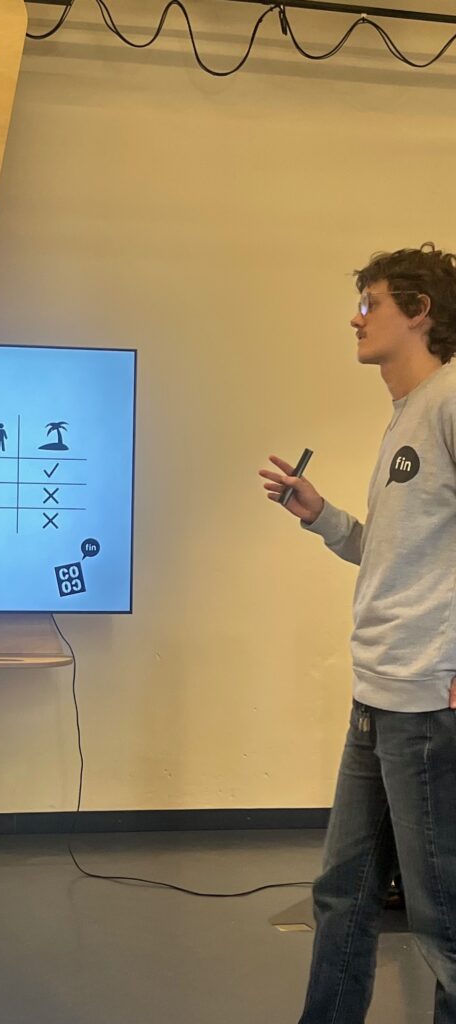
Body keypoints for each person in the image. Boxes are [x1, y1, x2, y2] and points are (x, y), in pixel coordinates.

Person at [259, 244, 456, 1024]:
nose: (356, 317)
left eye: (371, 302)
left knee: (443, 920)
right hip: (377, 697)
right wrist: (323, 518)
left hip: (427, 702)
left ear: (420, 311)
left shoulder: (450, 402)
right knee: (343, 894)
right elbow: (395, 553)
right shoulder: (408, 415)